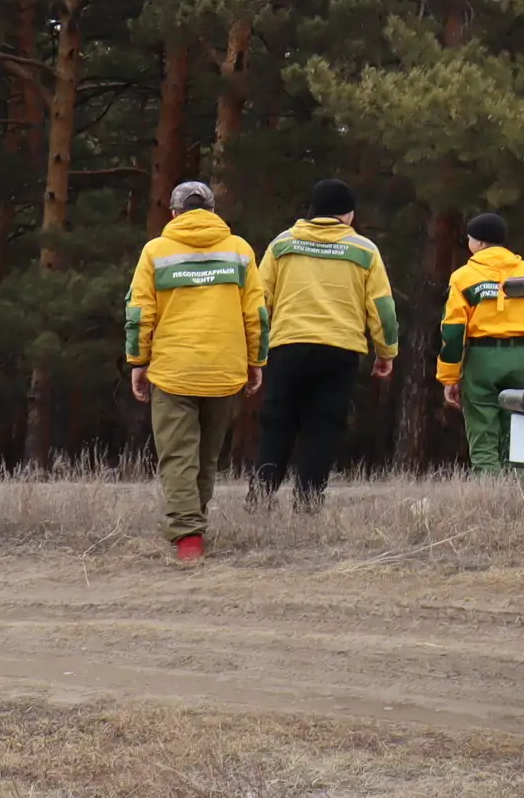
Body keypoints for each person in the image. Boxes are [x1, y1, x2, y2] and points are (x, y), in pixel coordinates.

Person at [124, 180, 266, 563]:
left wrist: (138, 362)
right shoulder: (239, 251)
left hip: (173, 370)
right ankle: (195, 526)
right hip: (224, 369)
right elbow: (257, 314)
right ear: (212, 212)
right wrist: (256, 361)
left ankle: (188, 539)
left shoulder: (155, 251)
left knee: (177, 456)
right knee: (207, 455)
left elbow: (139, 314)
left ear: (173, 213)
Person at [255, 178, 397, 507]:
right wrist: (385, 351)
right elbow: (383, 309)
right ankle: (308, 501)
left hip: (288, 345)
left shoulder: (282, 244)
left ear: (312, 210)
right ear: (348, 216)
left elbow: (259, 301)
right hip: (340, 350)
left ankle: (260, 498)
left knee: (278, 422)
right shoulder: (364, 250)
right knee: (323, 427)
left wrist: (257, 349)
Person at [436, 212, 524, 472]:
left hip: (481, 360)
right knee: (521, 424)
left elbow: (453, 332)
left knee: (483, 427)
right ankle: (520, 491)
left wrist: (449, 377)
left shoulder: (463, 277)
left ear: (479, 243)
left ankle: (489, 489)